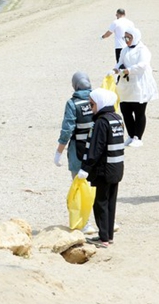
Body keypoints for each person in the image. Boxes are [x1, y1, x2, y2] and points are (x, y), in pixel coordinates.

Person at [76, 88, 124, 248]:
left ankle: (103, 238)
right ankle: (108, 236)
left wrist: (86, 168)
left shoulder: (101, 122)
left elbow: (96, 148)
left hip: (104, 170)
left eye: (92, 104)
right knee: (111, 202)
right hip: (117, 168)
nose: (91, 108)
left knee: (100, 203)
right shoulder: (117, 119)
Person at [54, 71, 96, 233]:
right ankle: (105, 221)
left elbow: (67, 129)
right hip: (97, 149)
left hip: (78, 149)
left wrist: (59, 152)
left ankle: (85, 223)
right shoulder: (98, 99)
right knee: (98, 186)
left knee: (79, 187)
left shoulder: (73, 104)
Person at [112, 28, 158, 147]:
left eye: (129, 37)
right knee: (125, 110)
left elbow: (142, 65)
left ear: (135, 37)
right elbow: (119, 62)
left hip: (139, 84)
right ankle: (131, 135)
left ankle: (138, 137)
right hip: (126, 84)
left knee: (139, 111)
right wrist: (115, 69)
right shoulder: (124, 50)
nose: (126, 40)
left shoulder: (142, 50)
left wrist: (129, 70)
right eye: (125, 38)